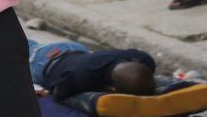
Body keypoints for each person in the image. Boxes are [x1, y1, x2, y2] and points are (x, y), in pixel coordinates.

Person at [27, 40, 155, 100]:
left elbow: (144, 57)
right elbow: (59, 92)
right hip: (43, 63)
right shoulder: (83, 78)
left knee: (27, 44)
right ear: (111, 89)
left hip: (71, 47)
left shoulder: (130, 58)